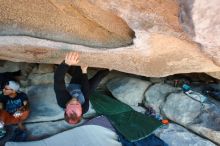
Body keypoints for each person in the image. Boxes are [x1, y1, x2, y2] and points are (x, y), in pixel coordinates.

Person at [54, 52, 109, 125]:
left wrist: (66, 64)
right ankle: (110, 68)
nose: (74, 101)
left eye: (71, 104)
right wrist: (84, 72)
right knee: (98, 77)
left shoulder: (62, 100)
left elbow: (58, 80)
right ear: (81, 109)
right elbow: (86, 91)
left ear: (66, 108)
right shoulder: (85, 108)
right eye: (77, 104)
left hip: (74, 86)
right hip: (84, 92)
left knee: (78, 68)